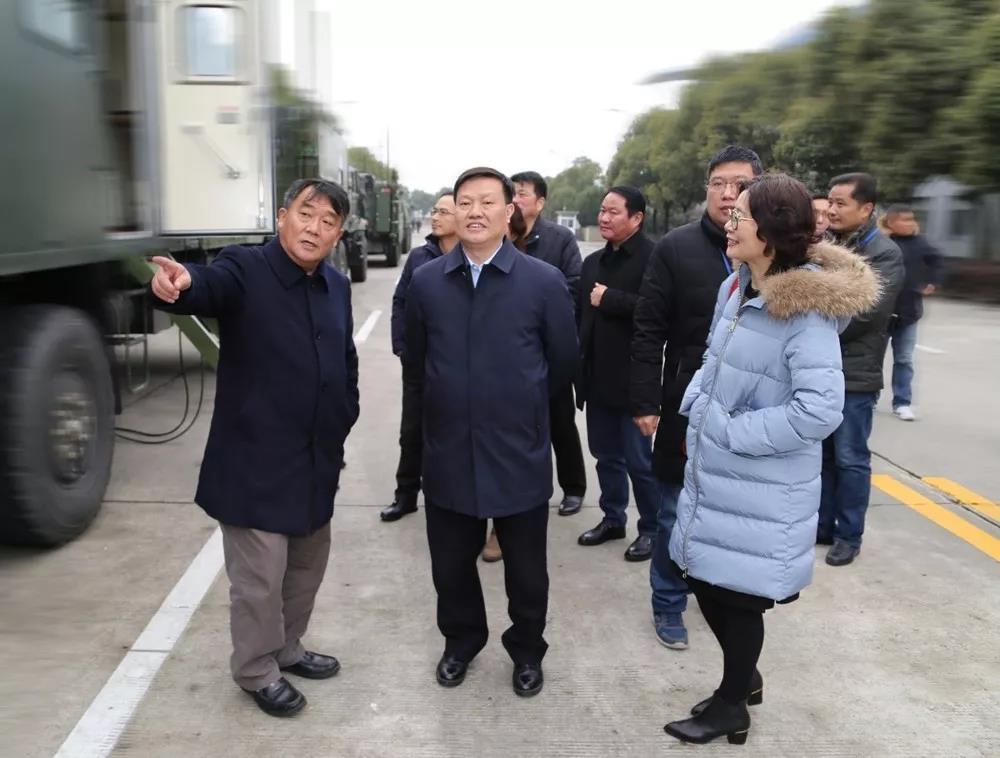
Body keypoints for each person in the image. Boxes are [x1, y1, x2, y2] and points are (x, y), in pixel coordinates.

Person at [662, 174, 879, 746]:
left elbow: (819, 411)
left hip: (760, 482)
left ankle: (731, 704)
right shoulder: (736, 285)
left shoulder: (804, 311)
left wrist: (731, 431)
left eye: (741, 216)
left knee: (736, 598)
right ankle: (743, 679)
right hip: (719, 472)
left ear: (773, 231)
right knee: (705, 579)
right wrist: (697, 408)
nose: (729, 223)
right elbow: (713, 359)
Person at [149, 179, 359, 717]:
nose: (314, 228)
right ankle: (255, 669)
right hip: (254, 462)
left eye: (328, 221)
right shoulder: (246, 267)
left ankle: (287, 648)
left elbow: (345, 360)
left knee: (306, 567)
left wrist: (344, 414)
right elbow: (207, 285)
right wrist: (182, 282)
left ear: (338, 234)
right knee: (260, 581)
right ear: (282, 216)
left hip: (315, 458)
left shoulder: (335, 286)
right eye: (306, 214)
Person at [404, 167, 577, 697]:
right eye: (465, 202)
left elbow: (563, 363)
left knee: (527, 572)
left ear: (509, 212)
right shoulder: (427, 281)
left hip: (517, 449)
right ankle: (461, 642)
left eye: (486, 202)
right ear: (453, 211)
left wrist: (522, 410)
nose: (475, 212)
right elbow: (417, 361)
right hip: (449, 449)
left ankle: (526, 650)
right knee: (450, 565)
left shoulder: (542, 282)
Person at [630, 145, 763, 649]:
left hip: (747, 410)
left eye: (740, 185)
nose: (728, 194)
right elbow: (648, 328)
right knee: (673, 511)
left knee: (733, 515)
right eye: (718, 184)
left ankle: (722, 596)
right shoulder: (676, 248)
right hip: (686, 402)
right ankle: (668, 602)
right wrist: (646, 400)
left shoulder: (773, 252)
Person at [820, 173, 904, 566]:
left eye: (841, 203)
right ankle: (822, 526)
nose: (832, 210)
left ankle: (848, 534)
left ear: (866, 208)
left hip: (855, 374)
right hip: (821, 370)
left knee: (850, 457)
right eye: (830, 202)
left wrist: (813, 327)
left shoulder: (883, 254)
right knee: (821, 455)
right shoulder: (828, 245)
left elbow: (866, 314)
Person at [575, 186, 661, 562]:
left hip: (635, 381)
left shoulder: (654, 259)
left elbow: (660, 312)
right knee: (605, 456)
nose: (604, 218)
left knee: (640, 462)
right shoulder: (592, 262)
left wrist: (611, 299)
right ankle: (613, 519)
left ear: (636, 218)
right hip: (597, 378)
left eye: (613, 212)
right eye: (602, 211)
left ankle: (652, 528)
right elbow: (580, 315)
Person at [510, 170, 588, 516]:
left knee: (560, 421)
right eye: (512, 193)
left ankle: (573, 488)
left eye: (522, 193)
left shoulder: (560, 239)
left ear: (540, 202)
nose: (515, 199)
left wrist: (537, 306)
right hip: (513, 349)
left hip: (550, 347)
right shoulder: (503, 234)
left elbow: (574, 284)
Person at [382, 192, 459, 522]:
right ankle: (406, 495)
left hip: (455, 365)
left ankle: (450, 497)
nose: (435, 217)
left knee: (453, 433)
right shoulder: (419, 257)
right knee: (411, 432)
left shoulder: (472, 257)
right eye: (434, 211)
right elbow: (400, 301)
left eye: (443, 212)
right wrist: (401, 345)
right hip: (418, 362)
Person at [481, 203, 532, 563]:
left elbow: (559, 356)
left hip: (513, 400)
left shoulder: (536, 279)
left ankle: (500, 530)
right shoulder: (438, 275)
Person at [880, 204, 943, 421]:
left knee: (904, 359)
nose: (911, 223)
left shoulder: (920, 243)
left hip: (909, 313)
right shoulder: (882, 243)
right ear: (891, 222)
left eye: (912, 219)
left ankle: (902, 402)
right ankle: (869, 398)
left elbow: (937, 260)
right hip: (881, 314)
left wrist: (932, 281)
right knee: (873, 360)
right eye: (905, 219)